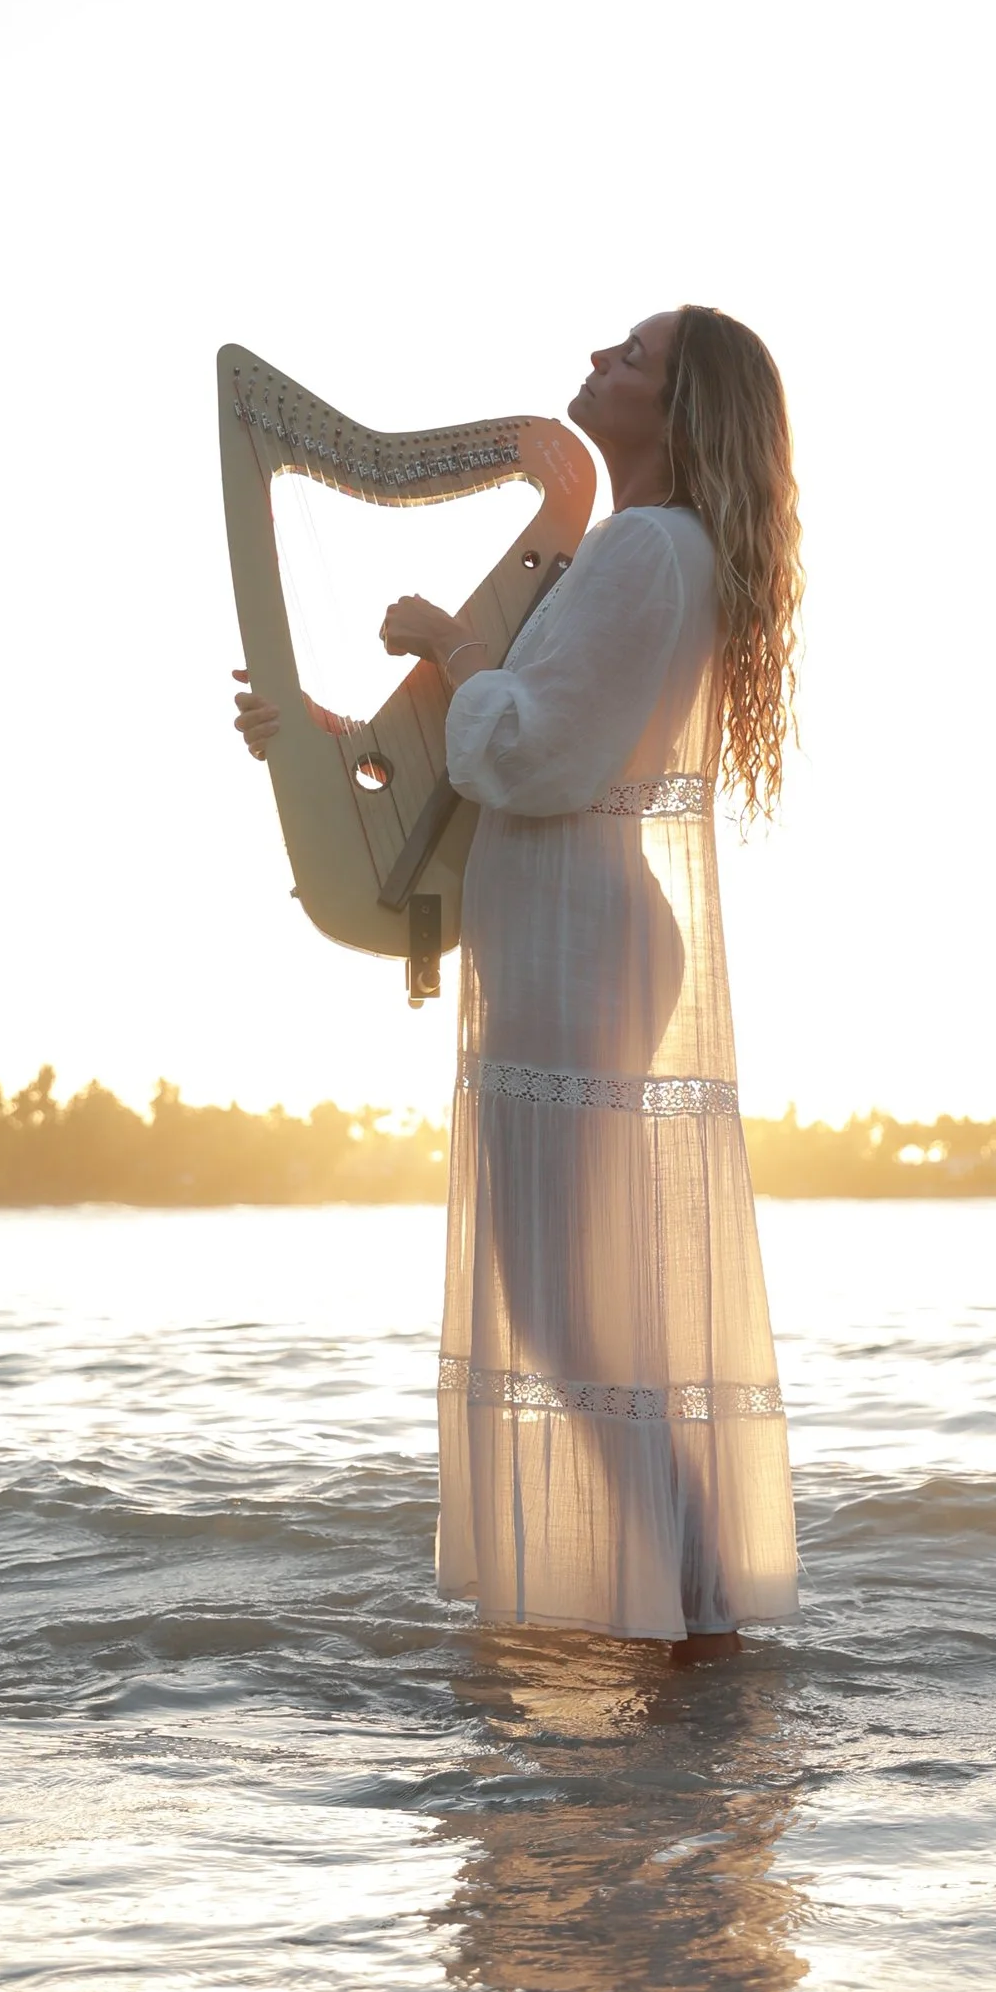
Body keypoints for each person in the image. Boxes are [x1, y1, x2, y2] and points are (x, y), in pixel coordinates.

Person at [234, 307, 801, 1662]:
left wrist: (452, 643)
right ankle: (688, 1615)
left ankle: (696, 1622)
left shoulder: (651, 550)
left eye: (635, 357)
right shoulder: (646, 551)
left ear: (680, 414)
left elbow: (532, 752)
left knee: (565, 1308)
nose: (601, 356)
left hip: (578, 943)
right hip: (570, 935)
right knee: (569, 1306)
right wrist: (314, 736)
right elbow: (489, 762)